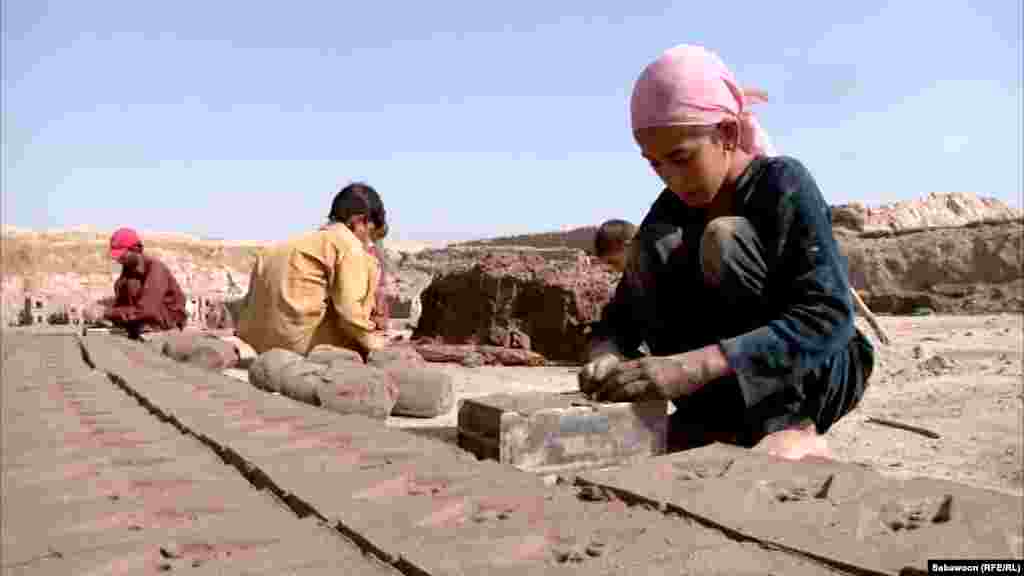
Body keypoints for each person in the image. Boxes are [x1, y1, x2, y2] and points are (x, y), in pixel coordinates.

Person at [579, 44, 874, 461]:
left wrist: (690, 367)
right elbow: (622, 314)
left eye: (681, 158)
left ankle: (792, 426)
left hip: (816, 375)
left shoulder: (781, 183)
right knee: (654, 243)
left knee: (724, 237)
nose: (671, 177)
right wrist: (605, 355)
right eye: (655, 164)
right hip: (725, 386)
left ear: (728, 135)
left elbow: (829, 318)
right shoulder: (670, 207)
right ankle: (722, 422)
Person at [237, 183, 383, 358]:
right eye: (369, 232)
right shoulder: (346, 244)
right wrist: (378, 347)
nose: (367, 242)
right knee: (370, 266)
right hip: (300, 348)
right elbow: (349, 312)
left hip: (257, 345)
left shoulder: (275, 249)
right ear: (359, 221)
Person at [105, 227, 187, 339]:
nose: (119, 259)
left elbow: (146, 311)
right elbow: (123, 303)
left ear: (136, 250)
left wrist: (106, 313)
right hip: (143, 323)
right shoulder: (128, 270)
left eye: (122, 255)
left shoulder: (156, 269)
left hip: (166, 326)